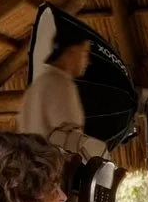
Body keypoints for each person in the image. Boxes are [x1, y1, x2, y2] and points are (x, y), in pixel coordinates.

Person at [17, 26, 104, 158]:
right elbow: (70, 141)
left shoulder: (37, 86)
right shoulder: (61, 84)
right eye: (85, 52)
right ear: (72, 51)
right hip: (53, 170)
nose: (88, 60)